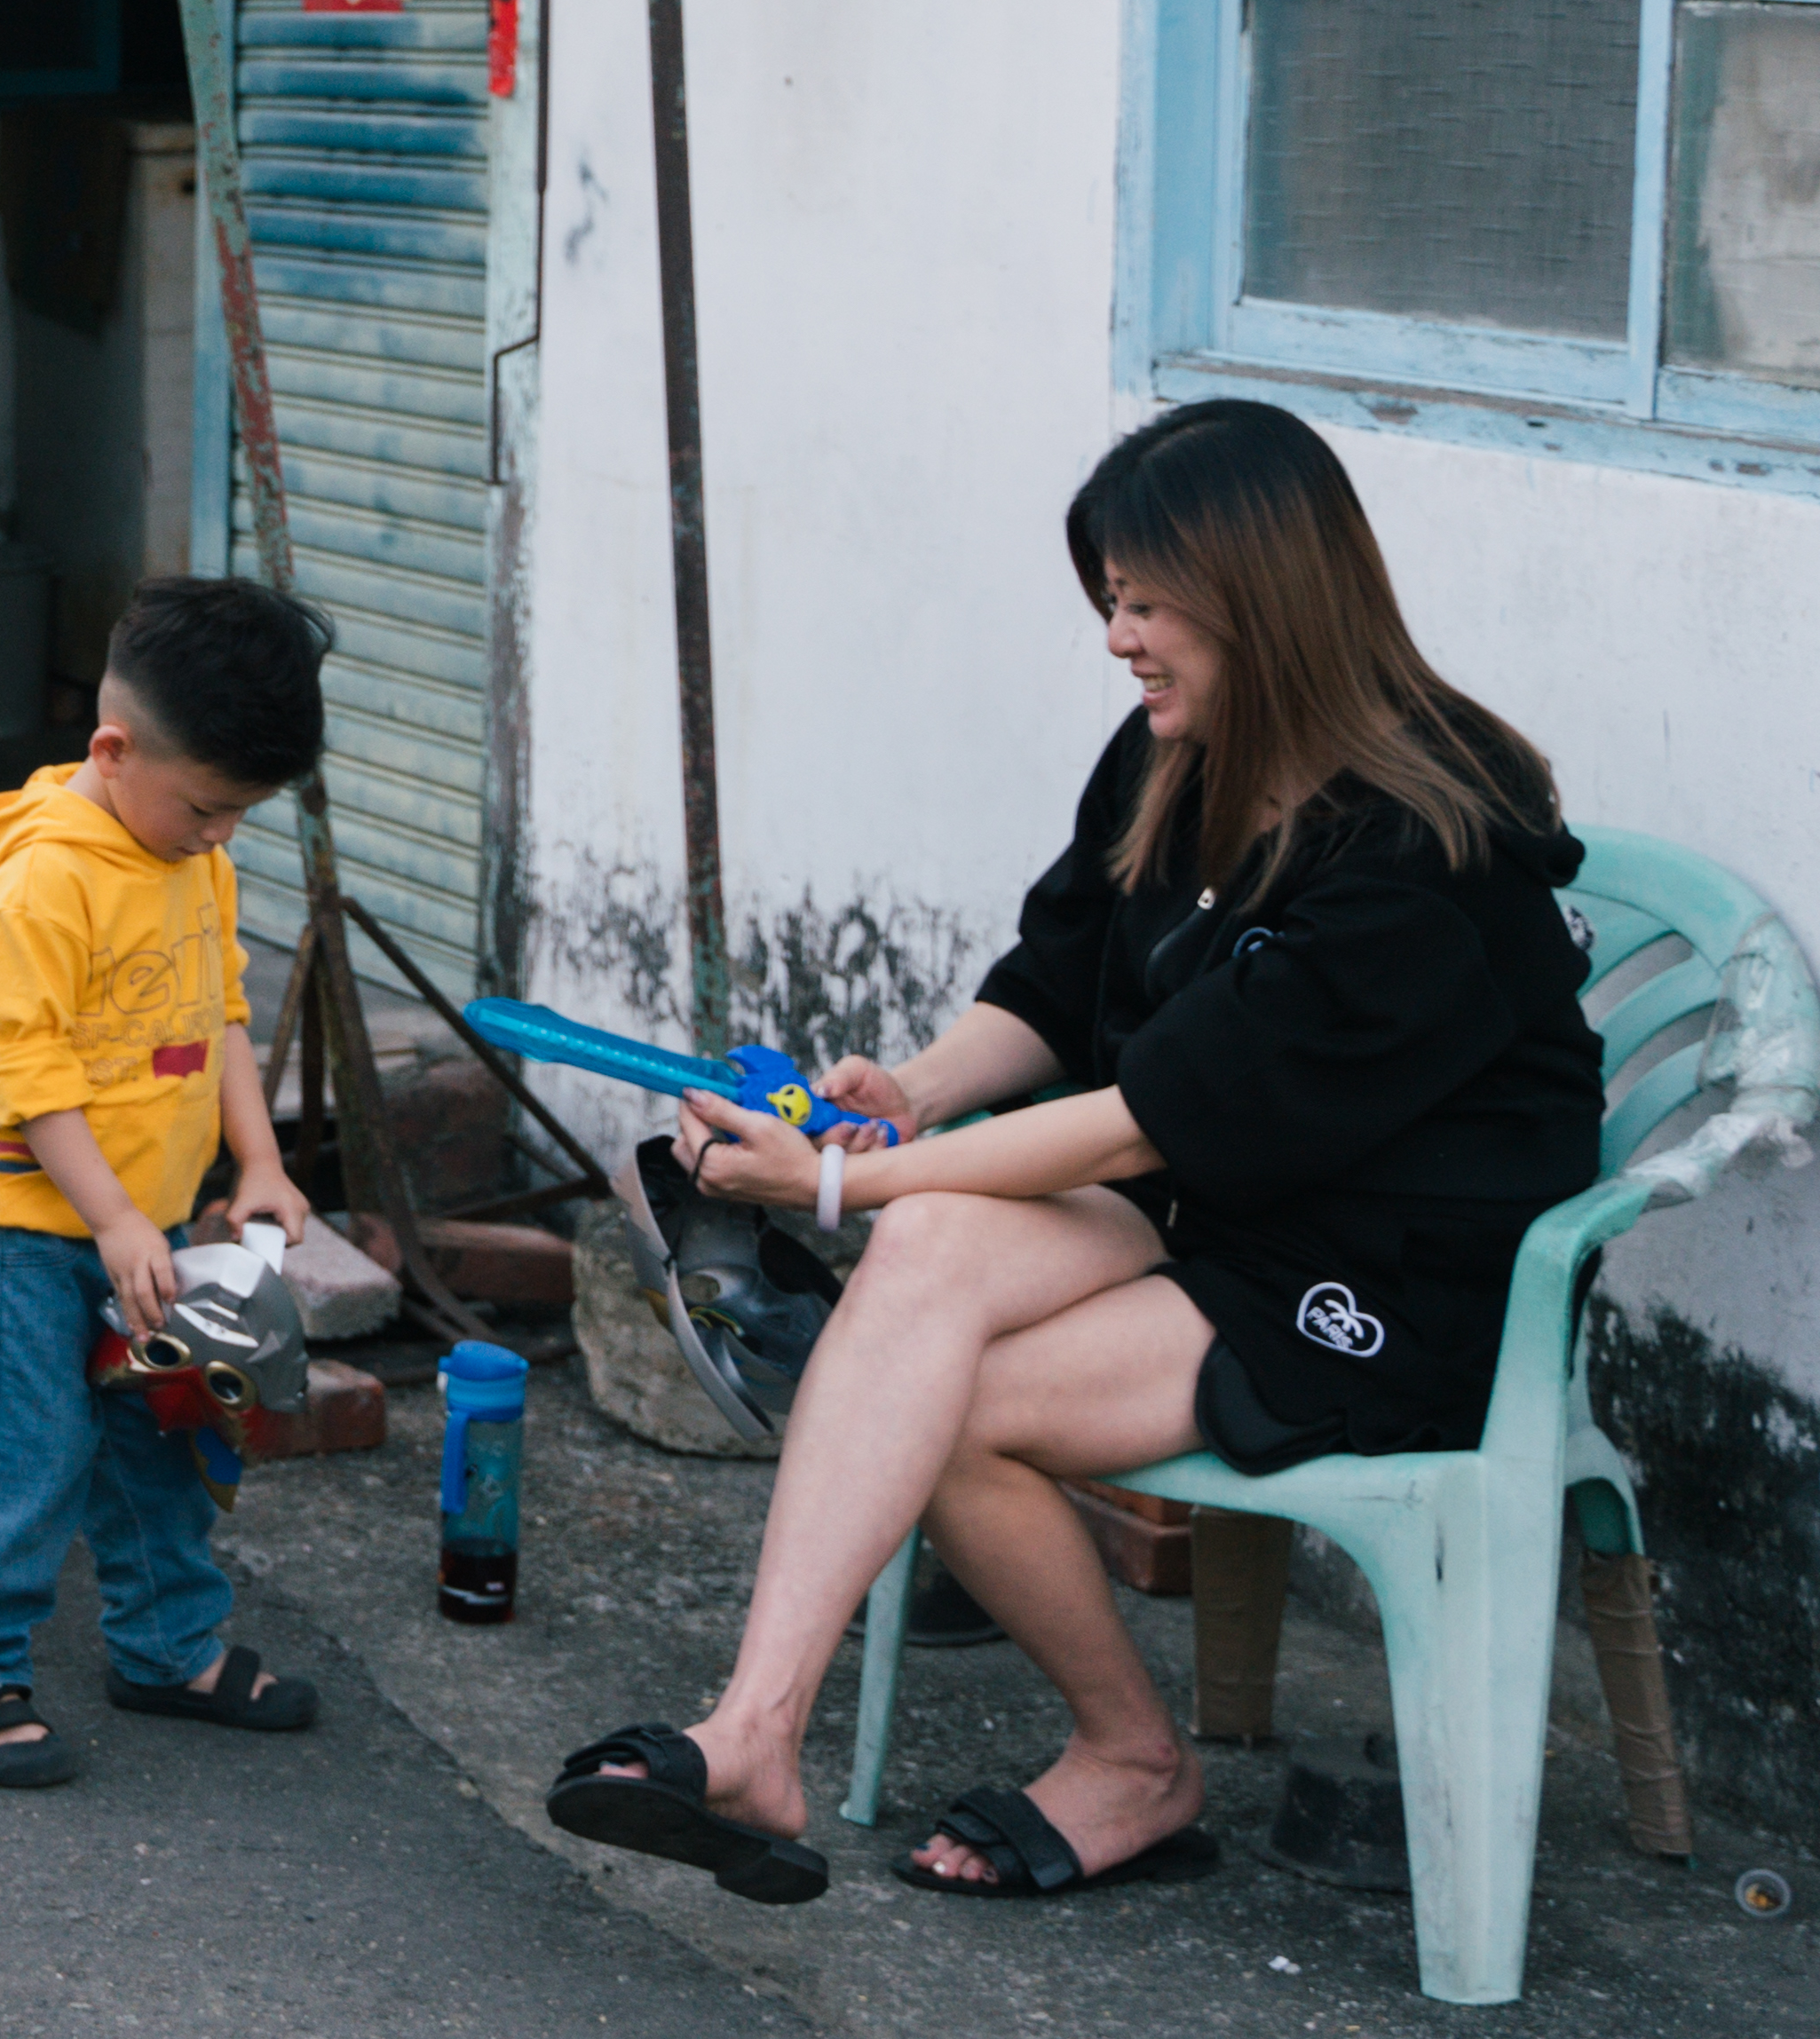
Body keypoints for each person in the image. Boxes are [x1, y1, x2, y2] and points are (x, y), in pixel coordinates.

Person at [548, 398, 1608, 1910]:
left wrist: (834, 1185)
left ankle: (1131, 1759)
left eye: (1146, 600)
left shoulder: (1418, 846)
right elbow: (1053, 983)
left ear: (1265, 595)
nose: (1117, 634)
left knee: (938, 1382)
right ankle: (755, 1731)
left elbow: (1145, 1111)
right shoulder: (1179, 752)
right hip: (1205, 1204)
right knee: (918, 1279)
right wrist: (903, 1094)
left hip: (1381, 1279)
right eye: (1111, 596)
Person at [0, 574, 332, 1790]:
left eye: (240, 815)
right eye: (209, 807)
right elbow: (30, 1077)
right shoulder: (44, 883)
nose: (221, 836)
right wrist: (109, 1219)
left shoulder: (188, 851)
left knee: (158, 1448)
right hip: (24, 1239)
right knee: (28, 1465)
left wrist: (256, 1159)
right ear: (111, 748)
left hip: (134, 1235)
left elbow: (226, 1014)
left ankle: (166, 1649)